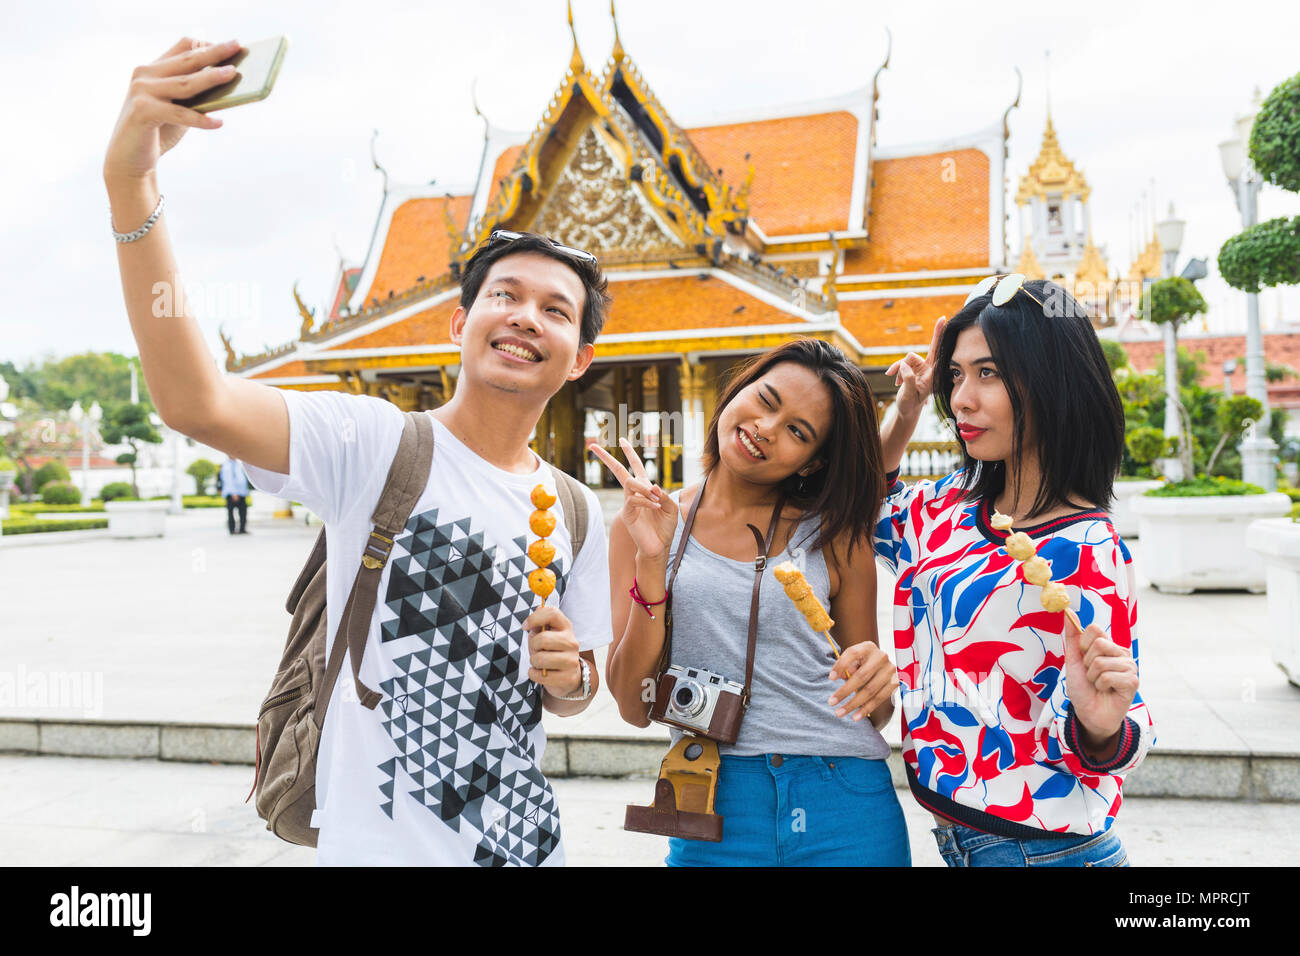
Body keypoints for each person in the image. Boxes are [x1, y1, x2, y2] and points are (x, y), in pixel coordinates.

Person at [104, 38, 614, 866]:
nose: (525, 317)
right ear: (462, 323)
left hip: (525, 846)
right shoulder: (375, 447)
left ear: (580, 357)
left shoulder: (579, 511)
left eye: (556, 310)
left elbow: (577, 690)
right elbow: (195, 400)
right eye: (504, 296)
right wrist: (132, 184)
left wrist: (567, 679)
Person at [594, 338, 910, 867]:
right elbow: (631, 705)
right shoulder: (644, 525)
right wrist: (653, 563)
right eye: (765, 400)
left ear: (812, 462)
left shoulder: (833, 532)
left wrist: (876, 676)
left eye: (797, 431)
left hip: (844, 799)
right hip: (714, 796)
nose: (766, 427)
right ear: (737, 390)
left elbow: (875, 712)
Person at [877, 274, 1154, 867]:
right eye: (955, 375)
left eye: (989, 374)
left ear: (1051, 382)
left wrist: (1101, 728)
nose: (961, 400)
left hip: (1043, 851)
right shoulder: (950, 504)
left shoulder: (1085, 548)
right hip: (959, 839)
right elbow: (857, 504)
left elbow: (1114, 718)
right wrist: (906, 408)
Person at [218, 455, 249, 534]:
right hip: (232, 493)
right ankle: (232, 530)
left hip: (241, 492)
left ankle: (242, 529)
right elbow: (228, 480)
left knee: (243, 512)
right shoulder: (227, 466)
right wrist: (233, 493)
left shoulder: (238, 464)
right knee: (231, 513)